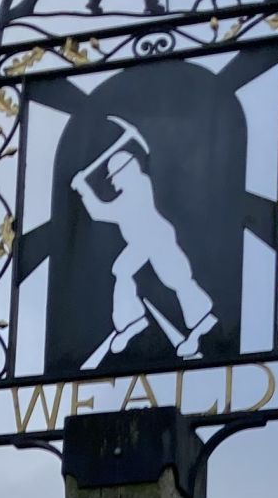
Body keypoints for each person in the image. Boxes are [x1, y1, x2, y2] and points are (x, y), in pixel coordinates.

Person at [70, 120, 215, 367]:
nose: (113, 182)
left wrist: (84, 189)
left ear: (127, 172)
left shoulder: (138, 187)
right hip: (142, 242)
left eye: (115, 177)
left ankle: (202, 324)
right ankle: (131, 321)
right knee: (122, 270)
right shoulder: (134, 189)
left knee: (177, 279)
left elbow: (100, 212)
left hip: (156, 238)